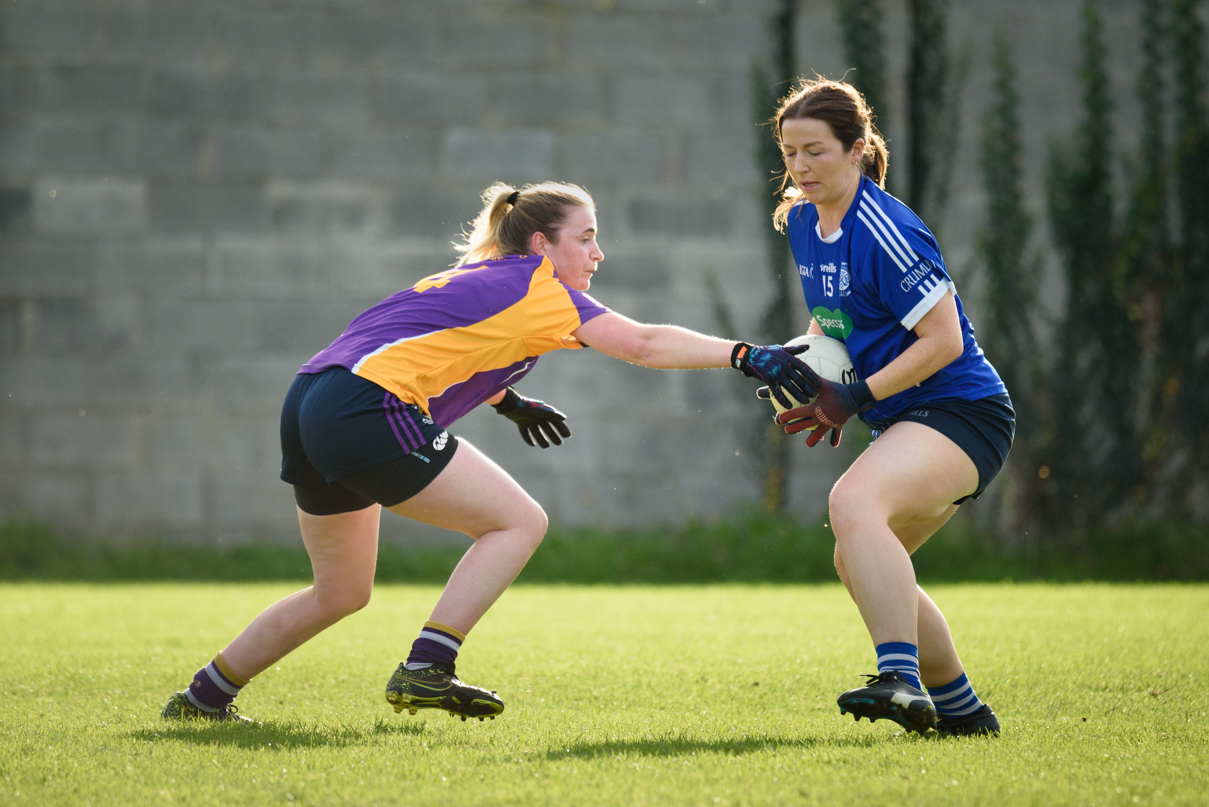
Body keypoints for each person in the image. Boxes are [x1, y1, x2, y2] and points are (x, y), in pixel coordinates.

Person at [160, 180, 815, 723]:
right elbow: (642, 343)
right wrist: (745, 355)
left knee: (340, 591)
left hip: (309, 401)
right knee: (518, 520)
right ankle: (427, 665)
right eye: (585, 238)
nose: (598, 253)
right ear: (540, 244)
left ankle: (202, 697)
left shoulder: (484, 276)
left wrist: (508, 402)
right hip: (364, 406)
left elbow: (442, 348)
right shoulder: (538, 287)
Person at [763, 79, 1014, 737]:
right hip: (906, 417)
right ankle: (960, 709)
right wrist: (802, 366)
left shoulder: (886, 228)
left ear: (854, 149)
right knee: (858, 560)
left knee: (851, 505)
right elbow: (832, 323)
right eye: (789, 152)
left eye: (814, 151)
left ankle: (898, 678)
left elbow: (944, 340)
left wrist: (852, 397)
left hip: (964, 411)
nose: (799, 167)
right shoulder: (800, 221)